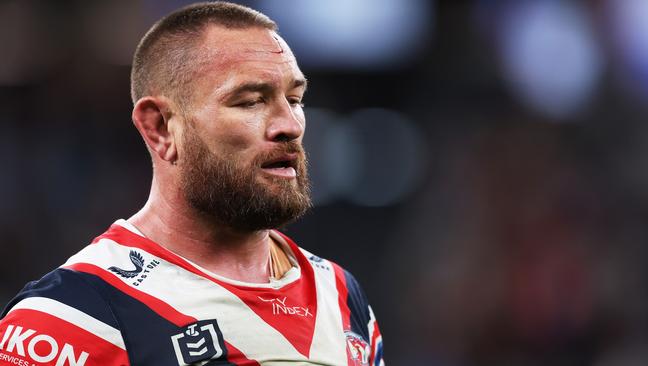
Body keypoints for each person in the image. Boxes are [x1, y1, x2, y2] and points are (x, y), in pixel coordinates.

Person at [0, 2, 383, 365]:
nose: (290, 125)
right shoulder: (72, 317)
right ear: (161, 127)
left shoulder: (341, 294)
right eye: (250, 101)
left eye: (295, 99)